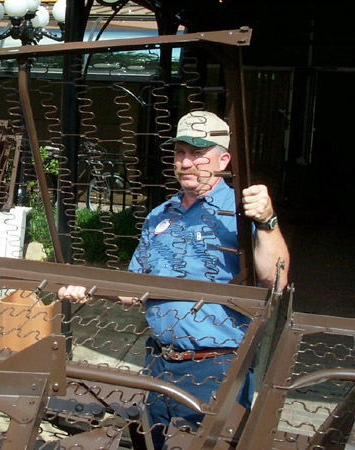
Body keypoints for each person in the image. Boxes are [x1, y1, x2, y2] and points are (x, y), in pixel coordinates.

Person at [58, 110, 289, 449]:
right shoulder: (159, 215)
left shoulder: (243, 211)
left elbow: (276, 281)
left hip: (215, 369)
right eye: (180, 153)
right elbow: (134, 289)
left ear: (223, 159)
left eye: (197, 153)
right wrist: (89, 289)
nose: (186, 162)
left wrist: (267, 221)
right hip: (158, 363)